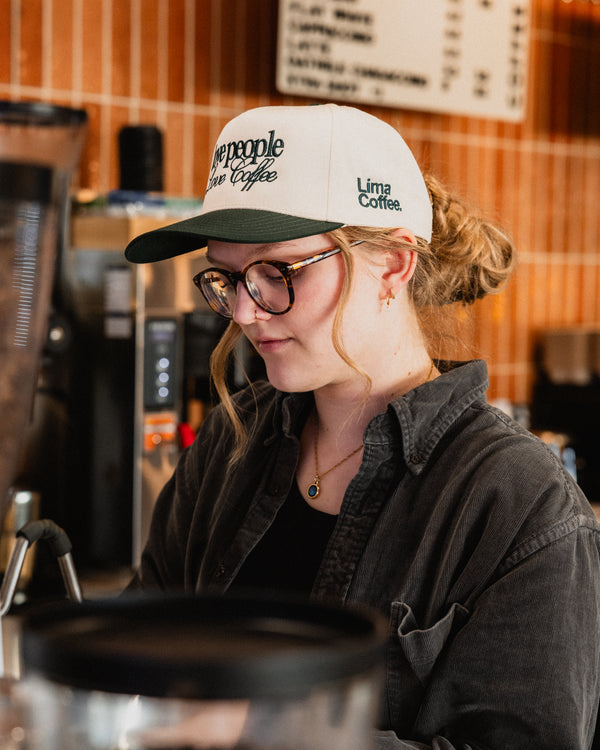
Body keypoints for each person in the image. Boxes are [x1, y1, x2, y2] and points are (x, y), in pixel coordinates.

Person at [124, 103, 600, 749]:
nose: (244, 311)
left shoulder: (520, 503)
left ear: (394, 265)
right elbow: (138, 640)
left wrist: (265, 731)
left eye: (276, 272)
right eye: (227, 277)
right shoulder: (232, 442)